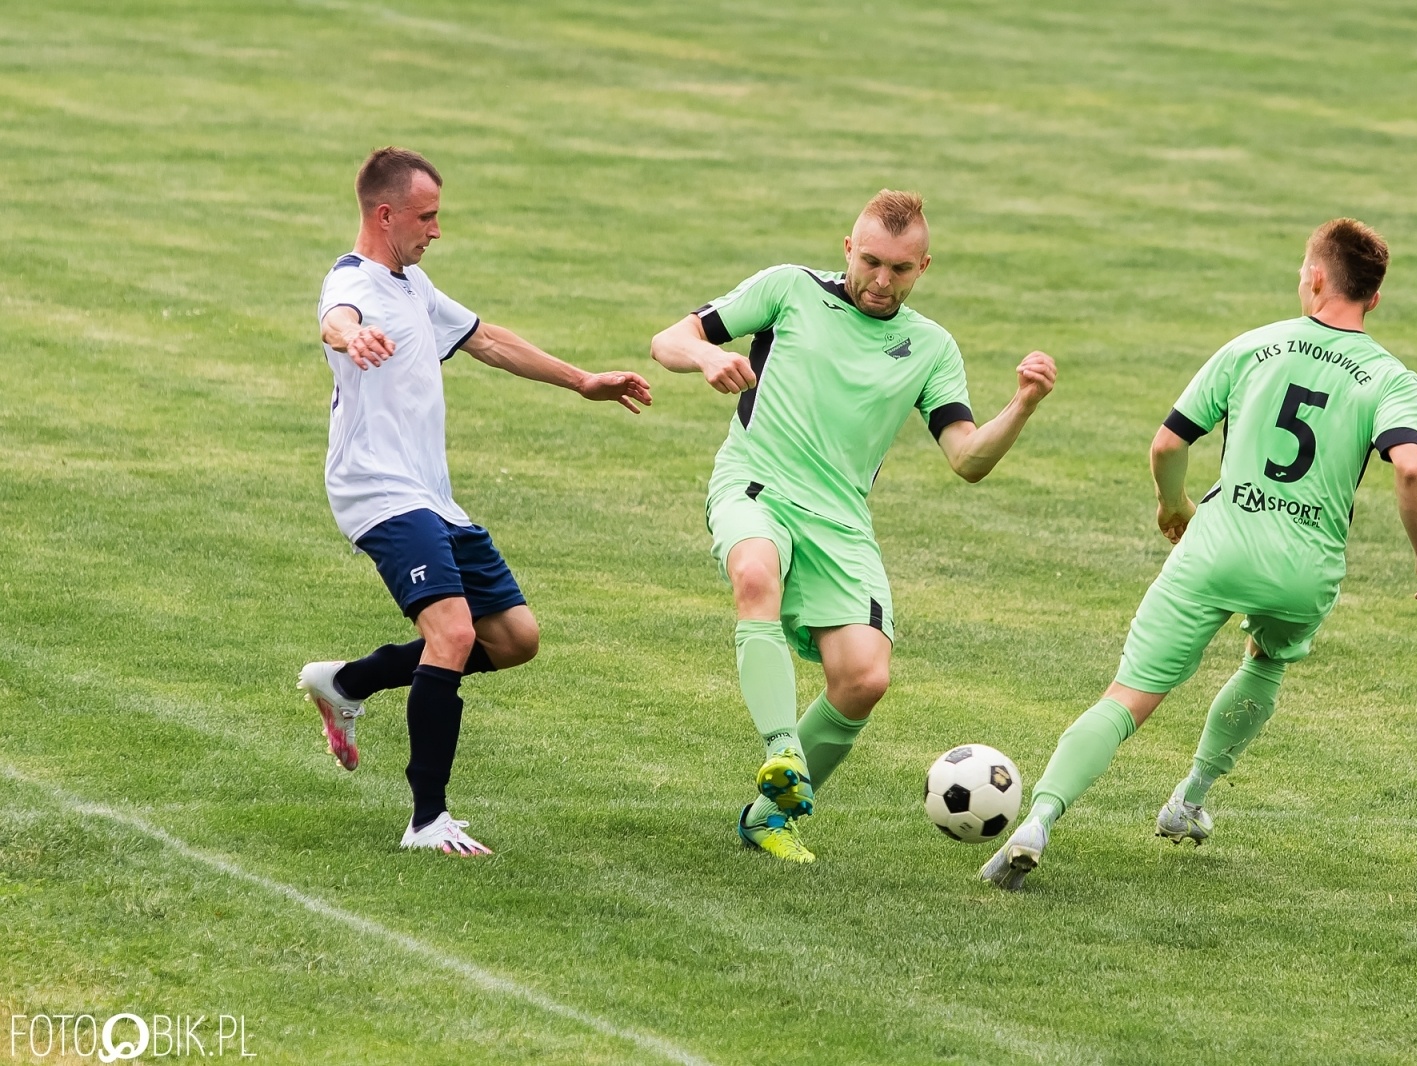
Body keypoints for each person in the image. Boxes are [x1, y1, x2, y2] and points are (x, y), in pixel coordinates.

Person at [981, 218, 1417, 890]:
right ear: (1373, 300)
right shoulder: (1390, 377)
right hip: (1304, 570)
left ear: (1317, 278)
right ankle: (1190, 800)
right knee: (1266, 659)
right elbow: (1411, 468)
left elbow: (1168, 445)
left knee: (1128, 697)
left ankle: (1040, 819)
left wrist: (1173, 506)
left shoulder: (1253, 348)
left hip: (1216, 548)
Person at [651, 190, 1056, 864]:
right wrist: (705, 358)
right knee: (755, 572)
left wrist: (1021, 405)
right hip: (758, 485)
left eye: (900, 269)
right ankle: (783, 751)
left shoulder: (929, 346)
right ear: (848, 249)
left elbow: (966, 459)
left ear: (923, 267)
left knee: (864, 679)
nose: (881, 280)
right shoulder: (789, 291)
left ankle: (766, 818)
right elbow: (670, 339)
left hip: (840, 520)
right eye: (870, 261)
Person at [300, 147, 652, 856]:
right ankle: (427, 820)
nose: (435, 230)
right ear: (386, 213)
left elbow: (487, 340)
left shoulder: (414, 286)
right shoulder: (354, 285)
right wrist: (350, 334)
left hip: (432, 496)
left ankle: (347, 681)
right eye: (426, 217)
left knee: (514, 639)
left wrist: (582, 381)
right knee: (454, 635)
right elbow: (335, 318)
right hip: (378, 488)